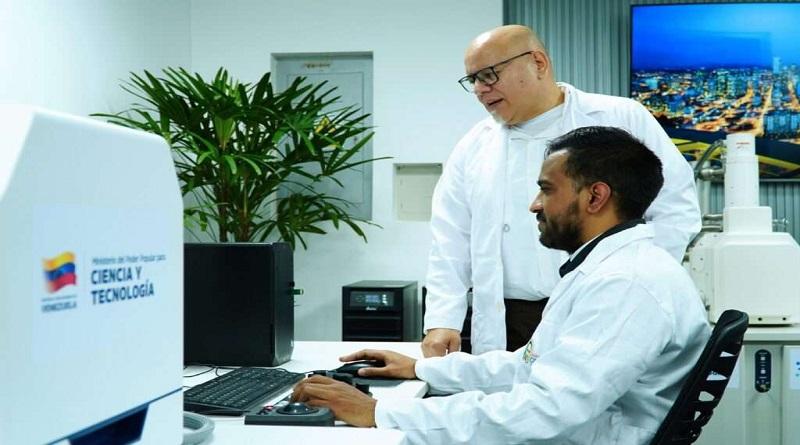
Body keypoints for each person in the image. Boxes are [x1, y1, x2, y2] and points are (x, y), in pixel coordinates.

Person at [291, 126, 711, 444]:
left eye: (546, 190)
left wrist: (381, 413)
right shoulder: (606, 267)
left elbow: (549, 409)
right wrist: (421, 369)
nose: (534, 205)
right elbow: (528, 367)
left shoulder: (626, 283)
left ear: (595, 197)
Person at [421, 25, 701, 356]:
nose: (481, 90)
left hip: (606, 307)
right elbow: (450, 238)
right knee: (511, 385)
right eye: (473, 80)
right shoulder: (473, 147)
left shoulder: (619, 118)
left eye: (489, 75)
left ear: (538, 63)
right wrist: (442, 320)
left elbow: (674, 208)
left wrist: (635, 286)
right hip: (508, 319)